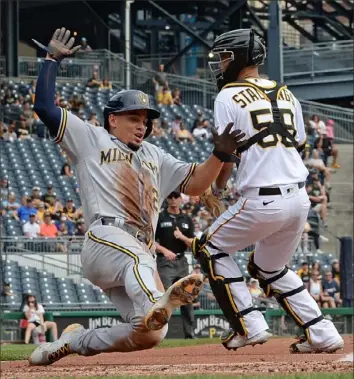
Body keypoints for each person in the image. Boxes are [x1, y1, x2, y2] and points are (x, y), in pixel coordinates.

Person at [29, 27, 246, 366]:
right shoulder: (91, 139)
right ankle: (158, 302)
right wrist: (51, 60)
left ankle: (74, 341)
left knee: (150, 333)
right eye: (134, 117)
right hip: (104, 240)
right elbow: (44, 107)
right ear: (112, 119)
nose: (142, 124)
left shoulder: (155, 155)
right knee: (139, 264)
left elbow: (196, 185)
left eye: (146, 119)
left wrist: (219, 155)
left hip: (135, 255)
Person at [192, 29, 343, 354]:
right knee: (269, 267)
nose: (220, 64)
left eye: (224, 57)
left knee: (209, 247)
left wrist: (217, 189)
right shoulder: (286, 93)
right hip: (299, 199)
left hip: (263, 199)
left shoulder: (227, 96)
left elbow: (227, 152)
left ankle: (248, 323)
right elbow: (298, 144)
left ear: (240, 58)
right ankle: (321, 332)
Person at [155, 191, 196, 339]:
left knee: (186, 298)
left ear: (180, 199)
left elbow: (193, 243)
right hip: (164, 262)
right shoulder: (160, 218)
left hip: (181, 261)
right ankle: (160, 334)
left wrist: (181, 236)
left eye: (175, 197)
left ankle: (190, 334)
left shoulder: (186, 219)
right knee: (164, 298)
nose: (172, 200)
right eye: (170, 197)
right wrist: (164, 250)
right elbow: (148, 241)